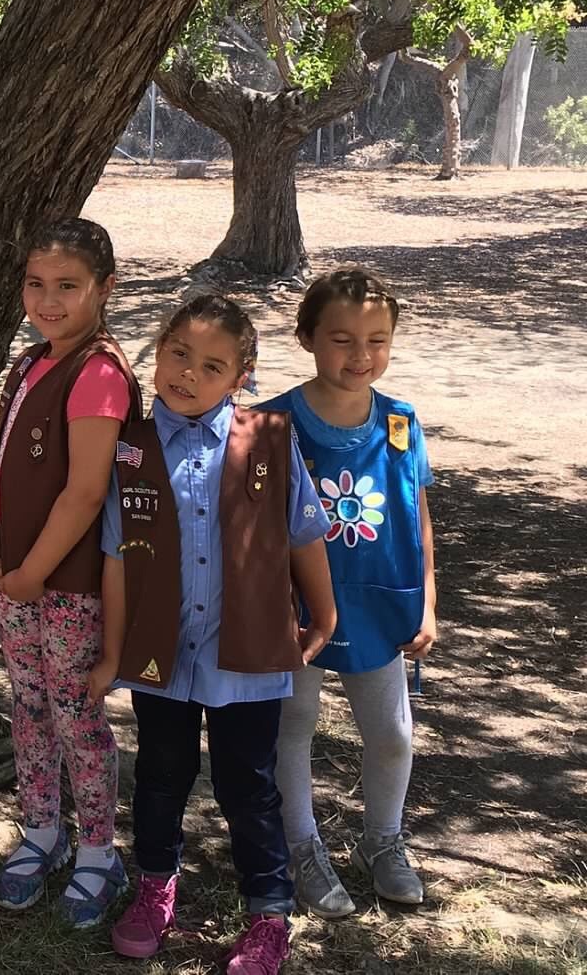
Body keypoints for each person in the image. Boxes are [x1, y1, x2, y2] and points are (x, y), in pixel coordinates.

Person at [98, 295, 338, 974]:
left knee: (249, 785)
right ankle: (154, 886)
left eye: (211, 366)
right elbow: (115, 557)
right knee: (160, 774)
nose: (188, 373)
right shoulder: (131, 448)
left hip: (248, 656)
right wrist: (113, 653)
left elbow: (303, 533)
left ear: (240, 377)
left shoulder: (269, 440)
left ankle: (268, 913)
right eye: (178, 353)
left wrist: (324, 616)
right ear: (157, 351)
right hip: (162, 652)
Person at [0, 218, 142, 922]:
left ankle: (98, 850)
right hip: (16, 576)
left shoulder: (98, 372)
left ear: (105, 288)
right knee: (30, 705)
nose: (48, 300)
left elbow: (85, 492)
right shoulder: (29, 360)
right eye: (35, 284)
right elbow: (1, 456)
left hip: (68, 586)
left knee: (77, 714)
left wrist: (34, 571)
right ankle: (42, 830)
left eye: (68, 286)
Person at [266, 270, 436, 916]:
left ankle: (382, 841)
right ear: (308, 337)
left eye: (377, 340)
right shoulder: (274, 423)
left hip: (380, 606)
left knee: (391, 732)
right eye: (341, 339)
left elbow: (417, 516)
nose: (360, 355)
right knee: (293, 726)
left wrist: (427, 599)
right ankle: (301, 847)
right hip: (295, 610)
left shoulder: (401, 422)